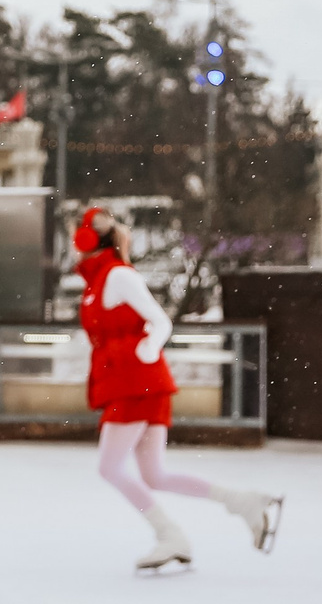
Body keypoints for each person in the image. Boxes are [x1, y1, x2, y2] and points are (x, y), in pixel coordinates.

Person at [73, 206, 283, 571]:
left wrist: (148, 349)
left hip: (134, 382)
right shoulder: (98, 280)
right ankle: (244, 502)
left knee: (109, 467)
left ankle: (169, 535)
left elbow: (159, 321)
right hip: (131, 380)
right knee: (155, 475)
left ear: (89, 240)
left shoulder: (118, 276)